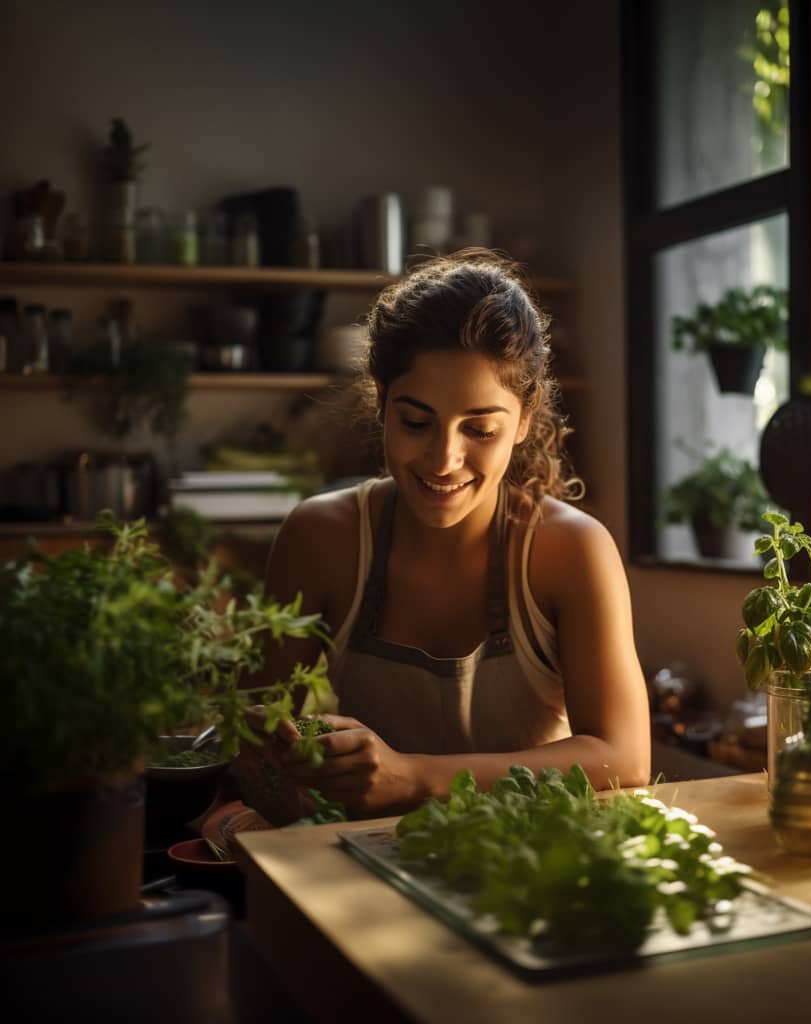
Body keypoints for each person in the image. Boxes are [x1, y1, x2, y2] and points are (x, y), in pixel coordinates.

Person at [237, 249, 650, 825]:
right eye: (416, 422)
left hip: (531, 864)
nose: (444, 458)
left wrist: (413, 777)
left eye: (479, 428)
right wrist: (280, 788)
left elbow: (623, 757)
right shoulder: (320, 538)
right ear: (381, 403)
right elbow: (253, 736)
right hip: (360, 865)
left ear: (525, 419)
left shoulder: (571, 550)